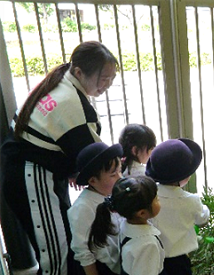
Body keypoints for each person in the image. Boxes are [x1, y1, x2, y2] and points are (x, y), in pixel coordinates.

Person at [0, 41, 118, 275]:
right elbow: (97, 160)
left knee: (62, 245)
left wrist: (76, 171)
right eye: (103, 78)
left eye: (112, 78)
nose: (108, 85)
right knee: (57, 258)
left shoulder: (62, 78)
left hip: (32, 173)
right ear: (79, 72)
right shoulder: (71, 104)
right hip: (33, 180)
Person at [145, 138, 210, 275]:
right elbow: (203, 219)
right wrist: (205, 209)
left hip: (153, 258)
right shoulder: (191, 201)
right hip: (179, 260)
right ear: (185, 176)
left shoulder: (148, 195)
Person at [88, 176, 165, 275]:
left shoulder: (126, 224)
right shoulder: (148, 244)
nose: (159, 200)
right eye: (156, 199)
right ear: (142, 213)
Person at [67, 142, 124, 275]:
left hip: (117, 260)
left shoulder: (112, 195)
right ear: (92, 181)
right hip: (100, 266)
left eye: (120, 171)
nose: (120, 177)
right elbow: (82, 249)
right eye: (113, 174)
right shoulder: (83, 207)